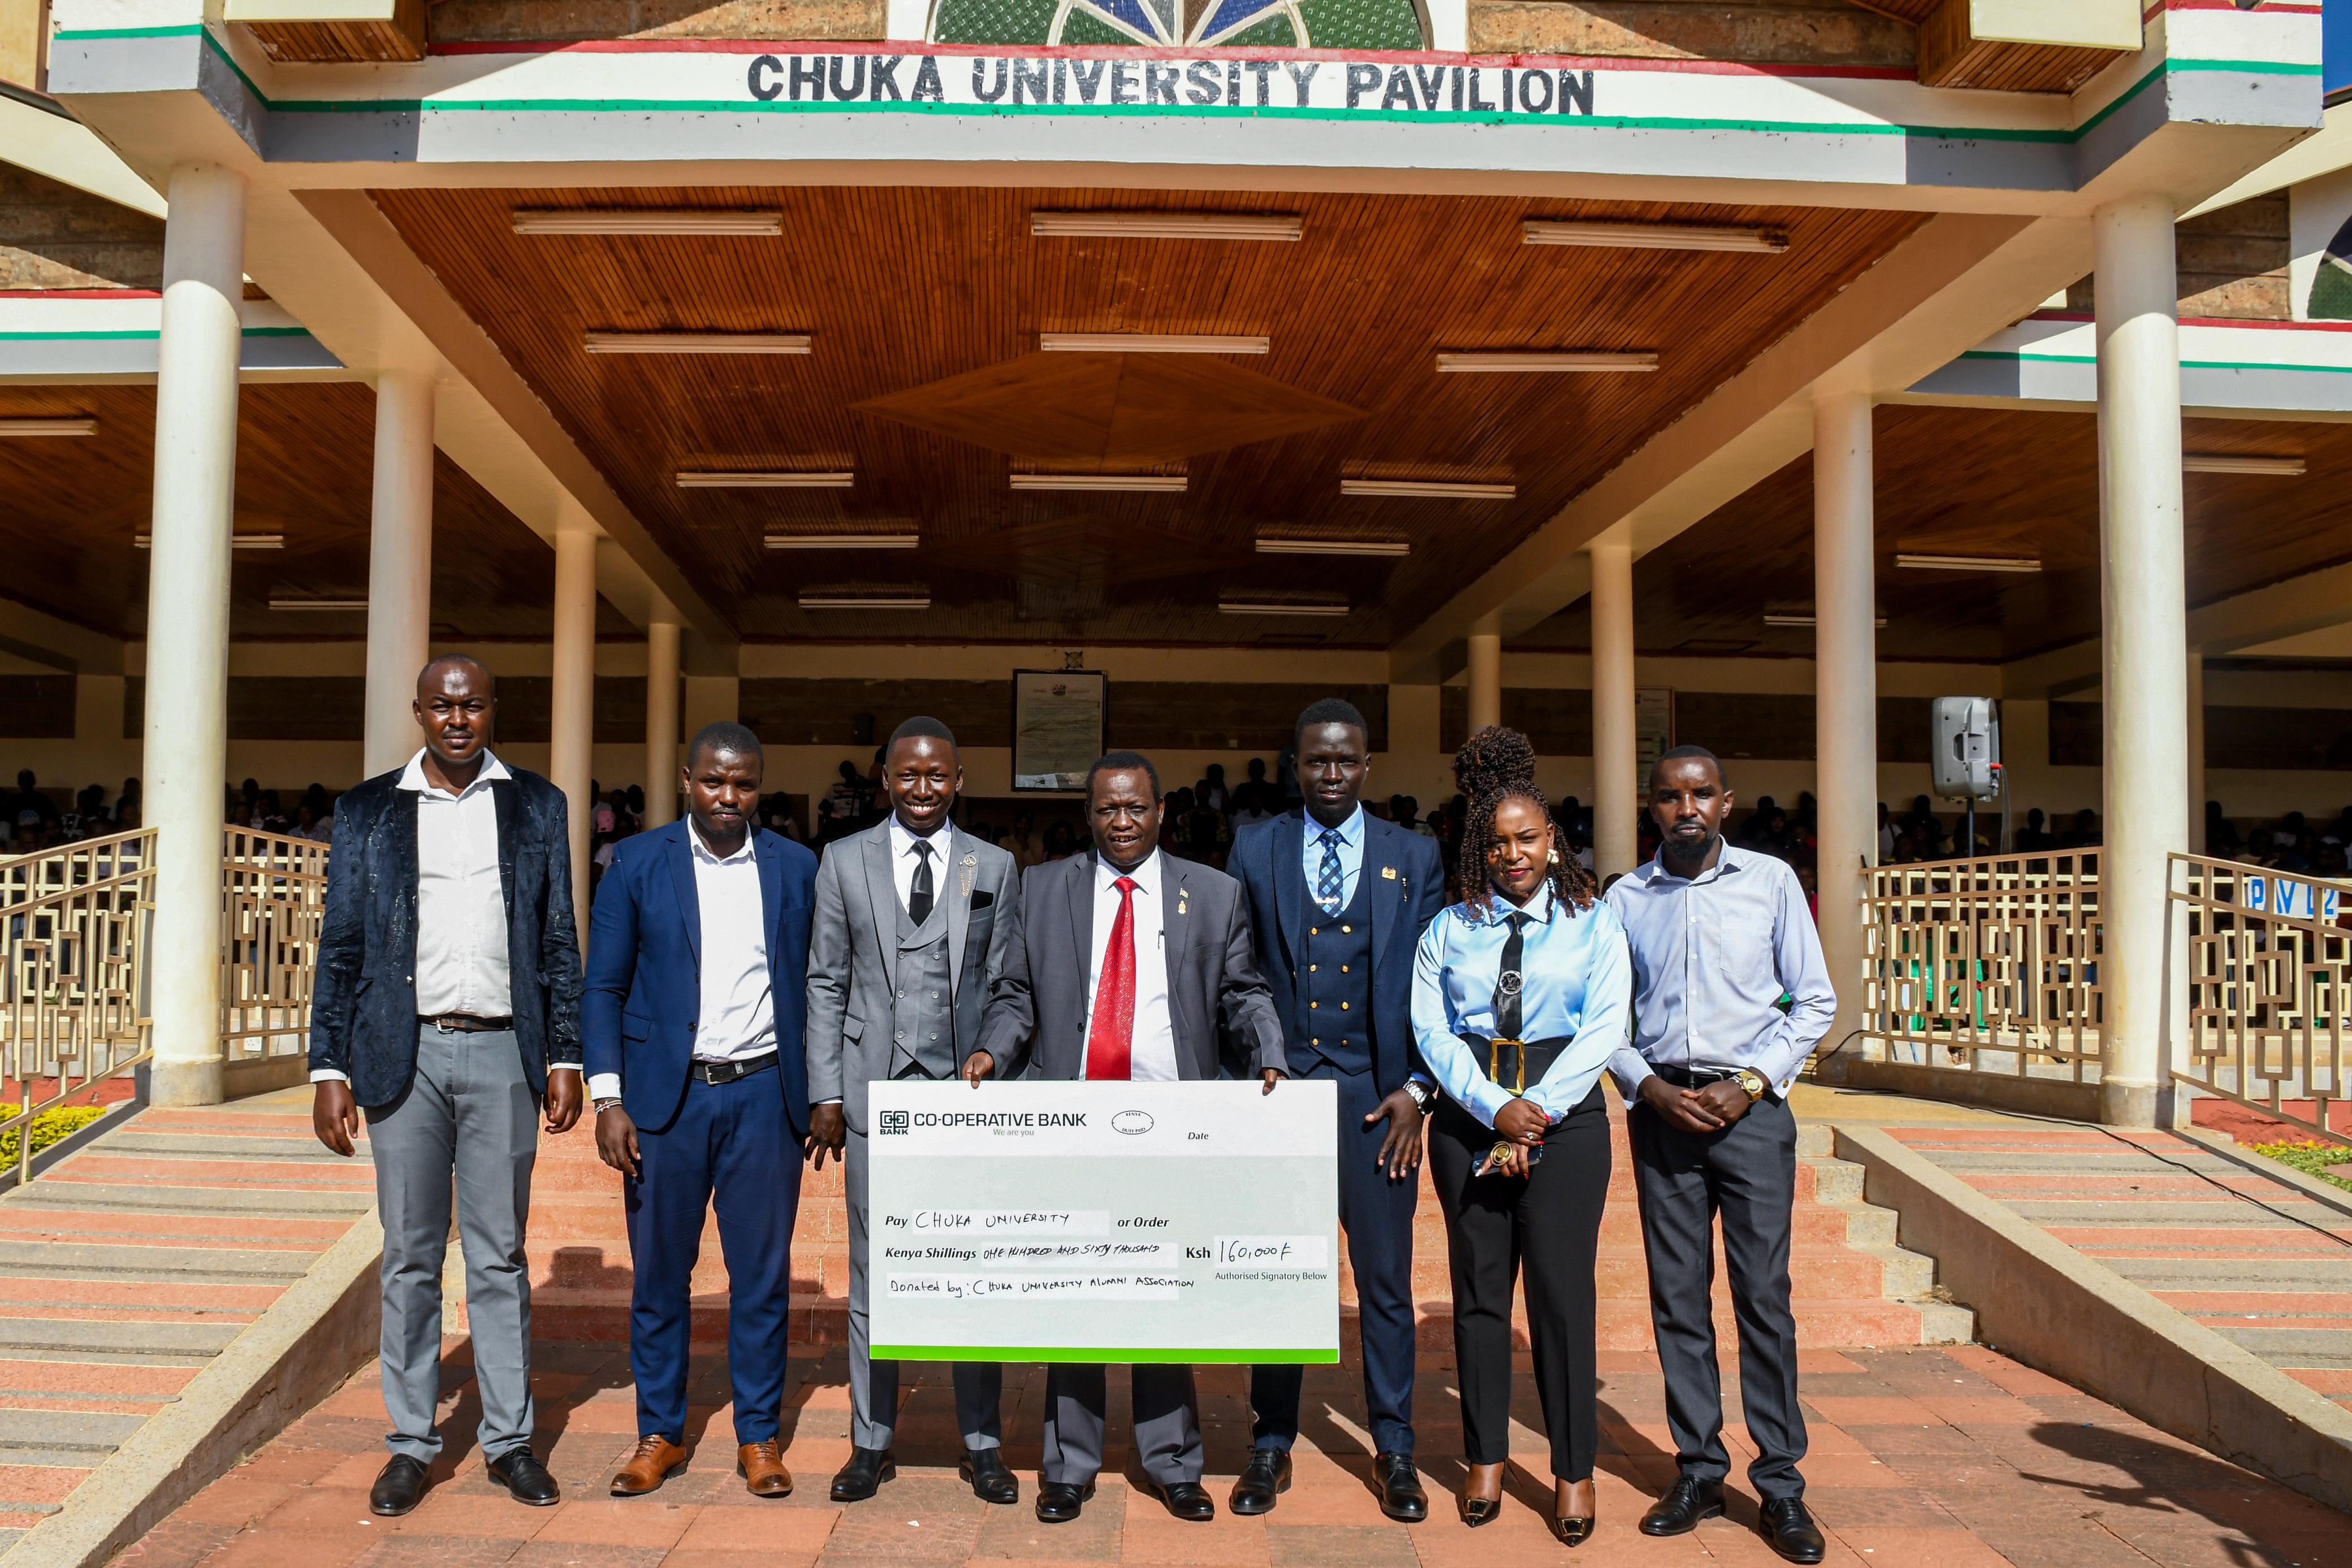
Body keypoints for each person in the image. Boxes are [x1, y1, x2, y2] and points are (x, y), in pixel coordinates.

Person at [307, 654, 583, 1518]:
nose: (457, 718)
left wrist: (565, 1052)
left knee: (498, 1256)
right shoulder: (366, 812)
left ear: (493, 708)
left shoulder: (538, 805)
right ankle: (412, 1444)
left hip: (506, 1052)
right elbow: (342, 943)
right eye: (441, 705)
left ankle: (509, 1441)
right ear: (419, 711)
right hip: (405, 1056)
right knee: (412, 1258)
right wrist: (328, 1066)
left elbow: (558, 938)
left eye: (472, 704)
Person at [976, 751, 1283, 1525]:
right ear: (1089, 814)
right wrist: (991, 1050)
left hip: (1170, 1123)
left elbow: (1242, 994)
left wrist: (1269, 1052)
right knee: (1076, 1294)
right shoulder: (1042, 888)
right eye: (1107, 809)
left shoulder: (1212, 894)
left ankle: (1173, 1460)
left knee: (1161, 1292)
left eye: (1135, 808)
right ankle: (1068, 1465)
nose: (1121, 821)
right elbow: (1016, 992)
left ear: (1160, 813)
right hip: (1073, 1120)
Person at [1604, 746, 1835, 1565]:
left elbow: (1814, 1001)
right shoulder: (1625, 898)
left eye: (1701, 793)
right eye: (1670, 796)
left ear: (1727, 801)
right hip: (1664, 1111)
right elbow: (1608, 1018)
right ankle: (1699, 1468)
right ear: (1652, 806)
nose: (1687, 807)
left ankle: (1781, 1485)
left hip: (1752, 1114)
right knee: (1678, 1297)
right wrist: (1647, 1087)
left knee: (1762, 1296)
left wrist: (1751, 1083)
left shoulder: (1771, 883)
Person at [583, 722, 818, 1500]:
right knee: (659, 1276)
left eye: (744, 784)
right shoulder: (637, 863)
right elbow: (604, 987)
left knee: (760, 1277)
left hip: (763, 1094)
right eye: (715, 782)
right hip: (664, 1100)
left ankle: (758, 1435)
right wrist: (609, 1097)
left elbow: (818, 984)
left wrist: (824, 1093)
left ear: (760, 786)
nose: (729, 797)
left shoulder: (797, 867)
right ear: (688, 779)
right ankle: (661, 1432)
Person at [1408, 727, 1629, 1545]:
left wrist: (1536, 1108)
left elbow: (1605, 1024)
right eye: (1497, 842)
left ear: (1551, 839)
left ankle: (1574, 1470)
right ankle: (1486, 1457)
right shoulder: (1449, 927)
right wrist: (1487, 1106)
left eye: (1527, 838)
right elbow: (1430, 1029)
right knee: (1479, 1295)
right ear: (1479, 845)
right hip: (1470, 1120)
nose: (1512, 855)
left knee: (1563, 1300)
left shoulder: (1592, 921)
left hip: (1566, 1122)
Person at [1226, 700, 1444, 1522]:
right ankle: (1271, 1441)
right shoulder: (1257, 845)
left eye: (1345, 761)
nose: (1330, 774)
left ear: (1367, 767)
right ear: (1295, 764)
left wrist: (1419, 1088)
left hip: (1377, 1100)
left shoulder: (1412, 853)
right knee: (1280, 1272)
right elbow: (1238, 969)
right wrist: (1254, 1069)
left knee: (1385, 1281)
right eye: (1316, 760)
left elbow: (1436, 985)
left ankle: (1395, 1447)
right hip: (1283, 1092)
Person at [804, 717, 1024, 1506]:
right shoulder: (843, 859)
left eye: (937, 775)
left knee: (974, 1269)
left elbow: (1008, 986)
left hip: (962, 1103)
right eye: (908, 775)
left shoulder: (991, 864)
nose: (923, 788)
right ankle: (872, 1441)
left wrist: (992, 1054)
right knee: (876, 1270)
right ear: (885, 778)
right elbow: (826, 980)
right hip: (872, 1092)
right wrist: (826, 1091)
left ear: (958, 779)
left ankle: (983, 1442)